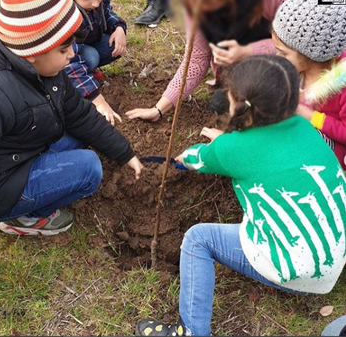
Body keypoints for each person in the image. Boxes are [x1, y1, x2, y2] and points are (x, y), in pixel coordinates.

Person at [135, 55, 346, 336]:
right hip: (334, 258)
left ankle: (191, 331)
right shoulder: (309, 129)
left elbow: (195, 158)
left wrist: (193, 155)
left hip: (296, 269)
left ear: (240, 107)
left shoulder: (233, 148)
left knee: (198, 239)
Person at [0, 0, 143, 236]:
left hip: (24, 147)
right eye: (65, 50)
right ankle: (24, 218)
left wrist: (125, 153)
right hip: (5, 182)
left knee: (78, 132)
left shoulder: (49, 72)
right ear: (34, 52)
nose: (74, 55)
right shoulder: (1, 92)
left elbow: (81, 115)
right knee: (88, 168)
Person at [126, 0, 303, 121]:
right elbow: (196, 60)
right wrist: (158, 109)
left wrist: (247, 51)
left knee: (270, 107)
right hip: (238, 66)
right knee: (221, 105)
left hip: (283, 62)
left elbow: (298, 42)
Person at [272, 0, 346, 169]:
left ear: (311, 54)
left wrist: (312, 117)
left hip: (333, 147)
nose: (276, 57)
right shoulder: (299, 68)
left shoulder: (341, 86)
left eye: (282, 53)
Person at [56, 0, 127, 125]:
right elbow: (71, 61)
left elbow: (107, 13)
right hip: (63, 55)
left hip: (87, 41)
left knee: (113, 47)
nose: (96, 2)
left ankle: (86, 72)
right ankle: (69, 79)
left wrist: (119, 27)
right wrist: (98, 100)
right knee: (90, 58)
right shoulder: (63, 14)